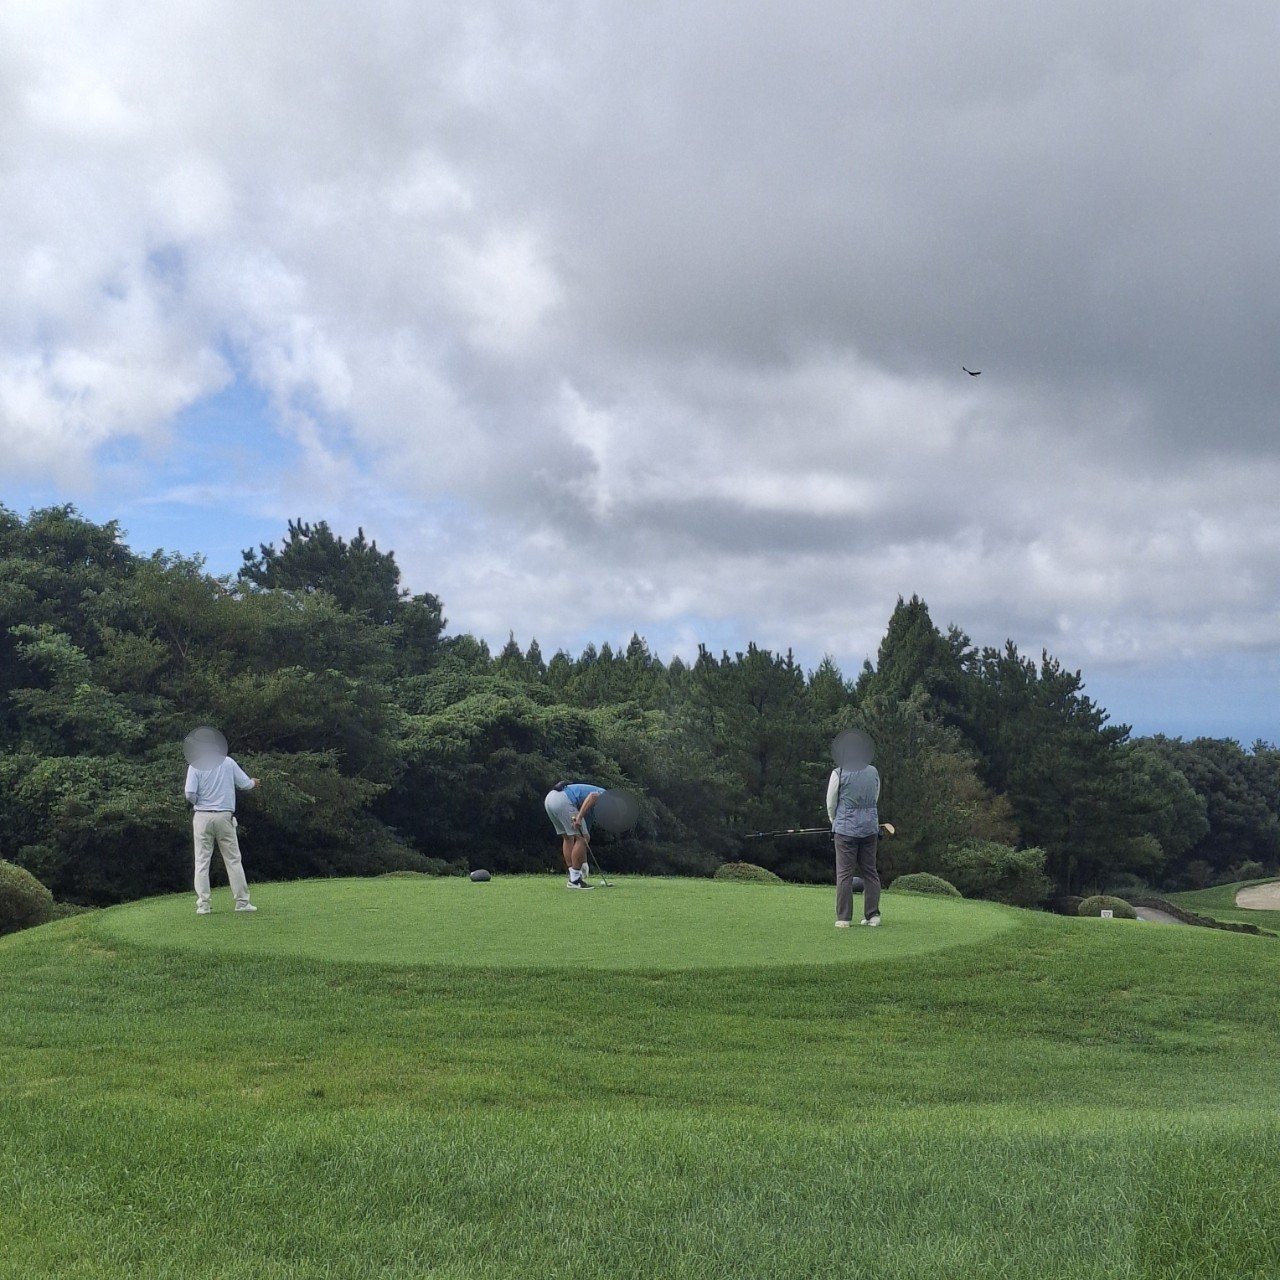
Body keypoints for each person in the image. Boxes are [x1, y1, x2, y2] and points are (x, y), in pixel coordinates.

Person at [184, 752, 260, 915]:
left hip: (202, 816)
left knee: (202, 860)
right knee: (233, 859)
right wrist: (253, 783)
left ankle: (203, 904)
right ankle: (242, 902)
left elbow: (189, 793)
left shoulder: (195, 765)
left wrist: (200, 802)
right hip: (224, 815)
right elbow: (244, 784)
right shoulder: (228, 762)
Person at [827, 760, 882, 927]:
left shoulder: (839, 773)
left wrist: (834, 820)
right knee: (870, 872)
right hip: (870, 828)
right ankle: (873, 916)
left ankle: (844, 918)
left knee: (844, 874)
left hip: (845, 830)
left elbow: (831, 803)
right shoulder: (873, 772)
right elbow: (875, 797)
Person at [544, 780, 604, 888]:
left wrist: (584, 862)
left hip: (550, 800)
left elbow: (583, 835)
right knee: (582, 838)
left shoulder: (594, 810)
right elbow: (593, 796)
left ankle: (574, 876)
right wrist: (579, 817)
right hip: (563, 800)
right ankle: (575, 879)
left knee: (568, 838)